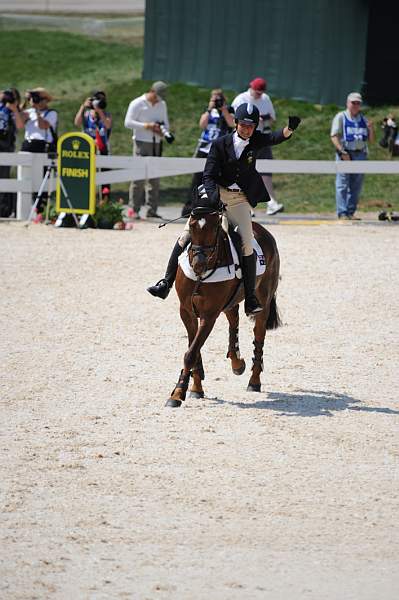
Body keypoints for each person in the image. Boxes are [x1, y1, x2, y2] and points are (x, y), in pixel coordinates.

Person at [147, 103, 301, 316]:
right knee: (185, 236)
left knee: (247, 243)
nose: (247, 129)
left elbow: (274, 137)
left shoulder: (255, 140)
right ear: (236, 123)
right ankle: (165, 282)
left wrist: (289, 129)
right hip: (216, 194)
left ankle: (250, 297)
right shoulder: (220, 144)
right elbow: (208, 175)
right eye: (244, 125)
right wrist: (213, 198)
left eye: (251, 126)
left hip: (239, 200)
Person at [232, 77, 283, 215]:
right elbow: (234, 121)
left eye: (261, 92)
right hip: (244, 140)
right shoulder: (241, 99)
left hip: (261, 138)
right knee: (244, 171)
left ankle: (271, 202)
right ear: (251, 87)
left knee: (266, 171)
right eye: (257, 92)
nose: (259, 95)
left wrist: (263, 119)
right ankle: (246, 205)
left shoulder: (265, 99)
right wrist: (252, 121)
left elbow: (273, 119)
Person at [181, 89, 235, 217]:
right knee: (197, 179)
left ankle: (214, 206)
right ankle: (190, 207)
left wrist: (224, 109)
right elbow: (202, 124)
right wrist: (209, 109)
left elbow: (232, 123)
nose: (216, 101)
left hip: (219, 149)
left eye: (219, 99)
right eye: (214, 99)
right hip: (204, 148)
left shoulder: (229, 110)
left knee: (215, 178)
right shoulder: (208, 110)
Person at [124, 81, 171, 219]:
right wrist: (147, 126)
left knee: (154, 178)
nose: (159, 99)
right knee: (138, 177)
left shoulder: (162, 104)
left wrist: (163, 131)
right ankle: (133, 209)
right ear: (152, 91)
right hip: (141, 142)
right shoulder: (137, 103)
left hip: (156, 142)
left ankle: (152, 209)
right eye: (157, 96)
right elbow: (128, 122)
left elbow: (166, 124)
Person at [331, 92, 375, 220]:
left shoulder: (363, 119)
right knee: (342, 184)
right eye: (353, 102)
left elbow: (371, 140)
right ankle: (342, 212)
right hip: (346, 153)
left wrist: (371, 129)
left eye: (358, 103)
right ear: (347, 103)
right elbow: (334, 136)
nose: (356, 105)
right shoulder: (341, 117)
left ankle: (351, 211)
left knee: (356, 185)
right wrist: (341, 152)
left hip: (360, 154)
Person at [74, 90, 112, 198]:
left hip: (102, 147)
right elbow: (77, 122)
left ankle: (105, 200)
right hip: (87, 148)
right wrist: (83, 106)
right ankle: (85, 198)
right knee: (86, 175)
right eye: (98, 99)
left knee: (105, 176)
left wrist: (99, 111)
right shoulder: (86, 115)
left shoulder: (106, 114)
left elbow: (108, 125)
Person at [0, 88, 24, 217]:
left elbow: (20, 126)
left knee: (3, 178)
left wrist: (14, 108)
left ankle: (2, 209)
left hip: (5, 147)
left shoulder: (15, 112)